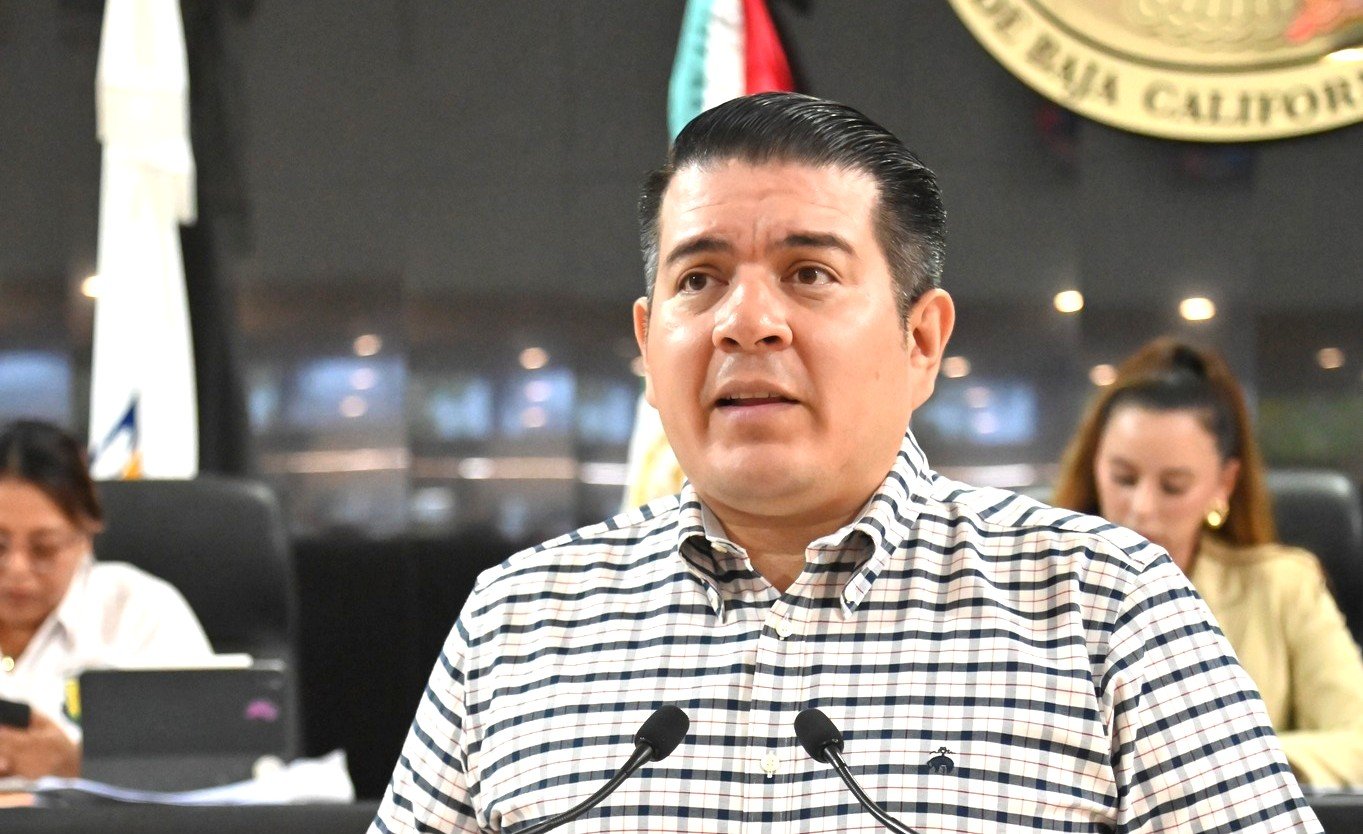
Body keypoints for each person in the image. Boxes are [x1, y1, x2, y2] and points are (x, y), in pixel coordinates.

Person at [373, 93, 1319, 832]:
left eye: (809, 273)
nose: (746, 321)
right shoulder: (518, 619)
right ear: (648, 345)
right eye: (698, 279)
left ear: (921, 339)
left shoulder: (1102, 605)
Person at [1053, 337, 1363, 788]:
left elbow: (1357, 740)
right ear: (1095, 466)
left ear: (1224, 483)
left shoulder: (1283, 586)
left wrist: (1222, 761)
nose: (1141, 508)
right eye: (1123, 478)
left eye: (1173, 486)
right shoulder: (1036, 583)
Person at [0, 420, 212, 778]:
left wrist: (77, 768)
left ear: (86, 535)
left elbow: (207, 766)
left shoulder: (138, 611)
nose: (17, 569)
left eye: (44, 549)